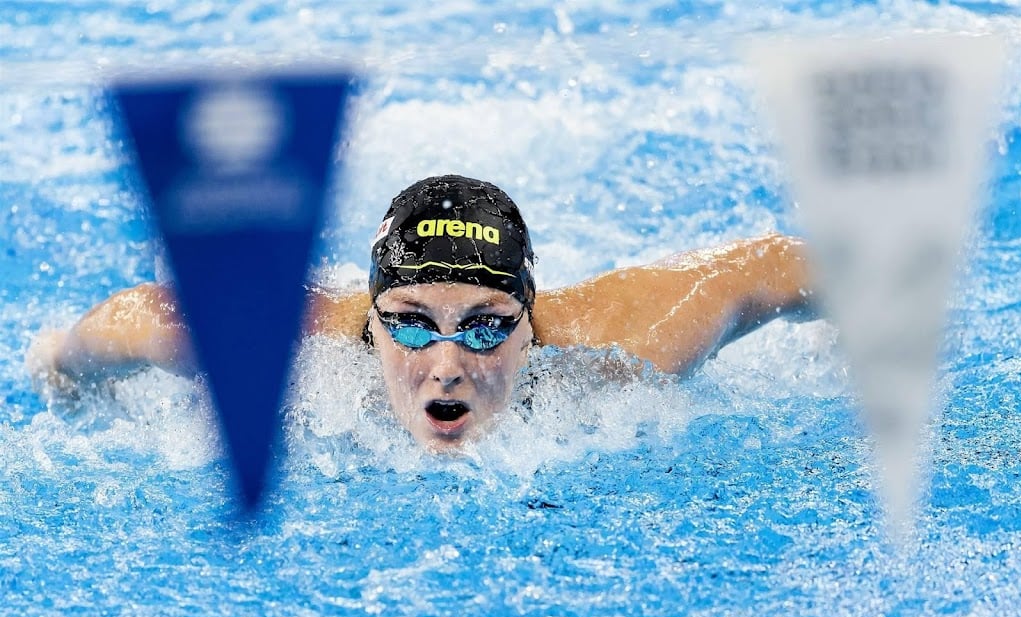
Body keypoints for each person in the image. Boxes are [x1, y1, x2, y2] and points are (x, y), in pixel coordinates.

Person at [27, 175, 817, 450]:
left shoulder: (628, 340)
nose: (447, 364)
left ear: (530, 320)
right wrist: (63, 367)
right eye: (408, 322)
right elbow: (140, 317)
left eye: (485, 325)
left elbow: (773, 266)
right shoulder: (285, 344)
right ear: (369, 321)